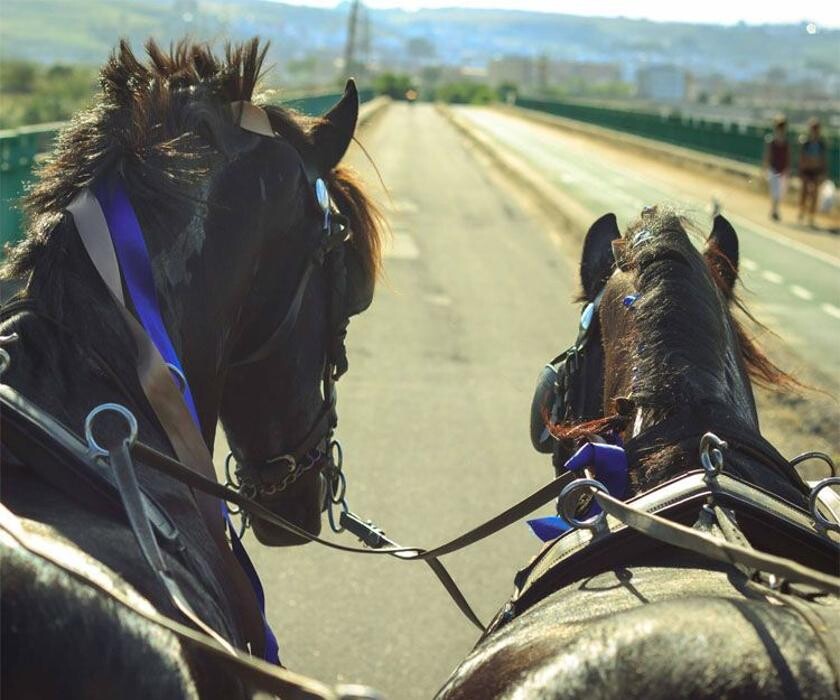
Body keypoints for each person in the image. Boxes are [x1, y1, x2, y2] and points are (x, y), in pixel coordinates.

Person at [797, 117, 827, 227]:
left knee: (815, 194)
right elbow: (801, 157)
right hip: (806, 170)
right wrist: (801, 170)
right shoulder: (806, 142)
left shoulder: (821, 143)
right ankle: (801, 212)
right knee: (804, 192)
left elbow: (823, 159)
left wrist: (823, 172)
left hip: (816, 171)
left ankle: (811, 217)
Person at [763, 115, 789, 221]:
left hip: (782, 170)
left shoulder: (786, 142)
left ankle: (775, 209)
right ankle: (774, 210)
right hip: (773, 169)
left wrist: (787, 169)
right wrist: (765, 168)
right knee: (774, 191)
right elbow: (767, 155)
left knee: (780, 192)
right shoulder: (771, 140)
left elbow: (787, 156)